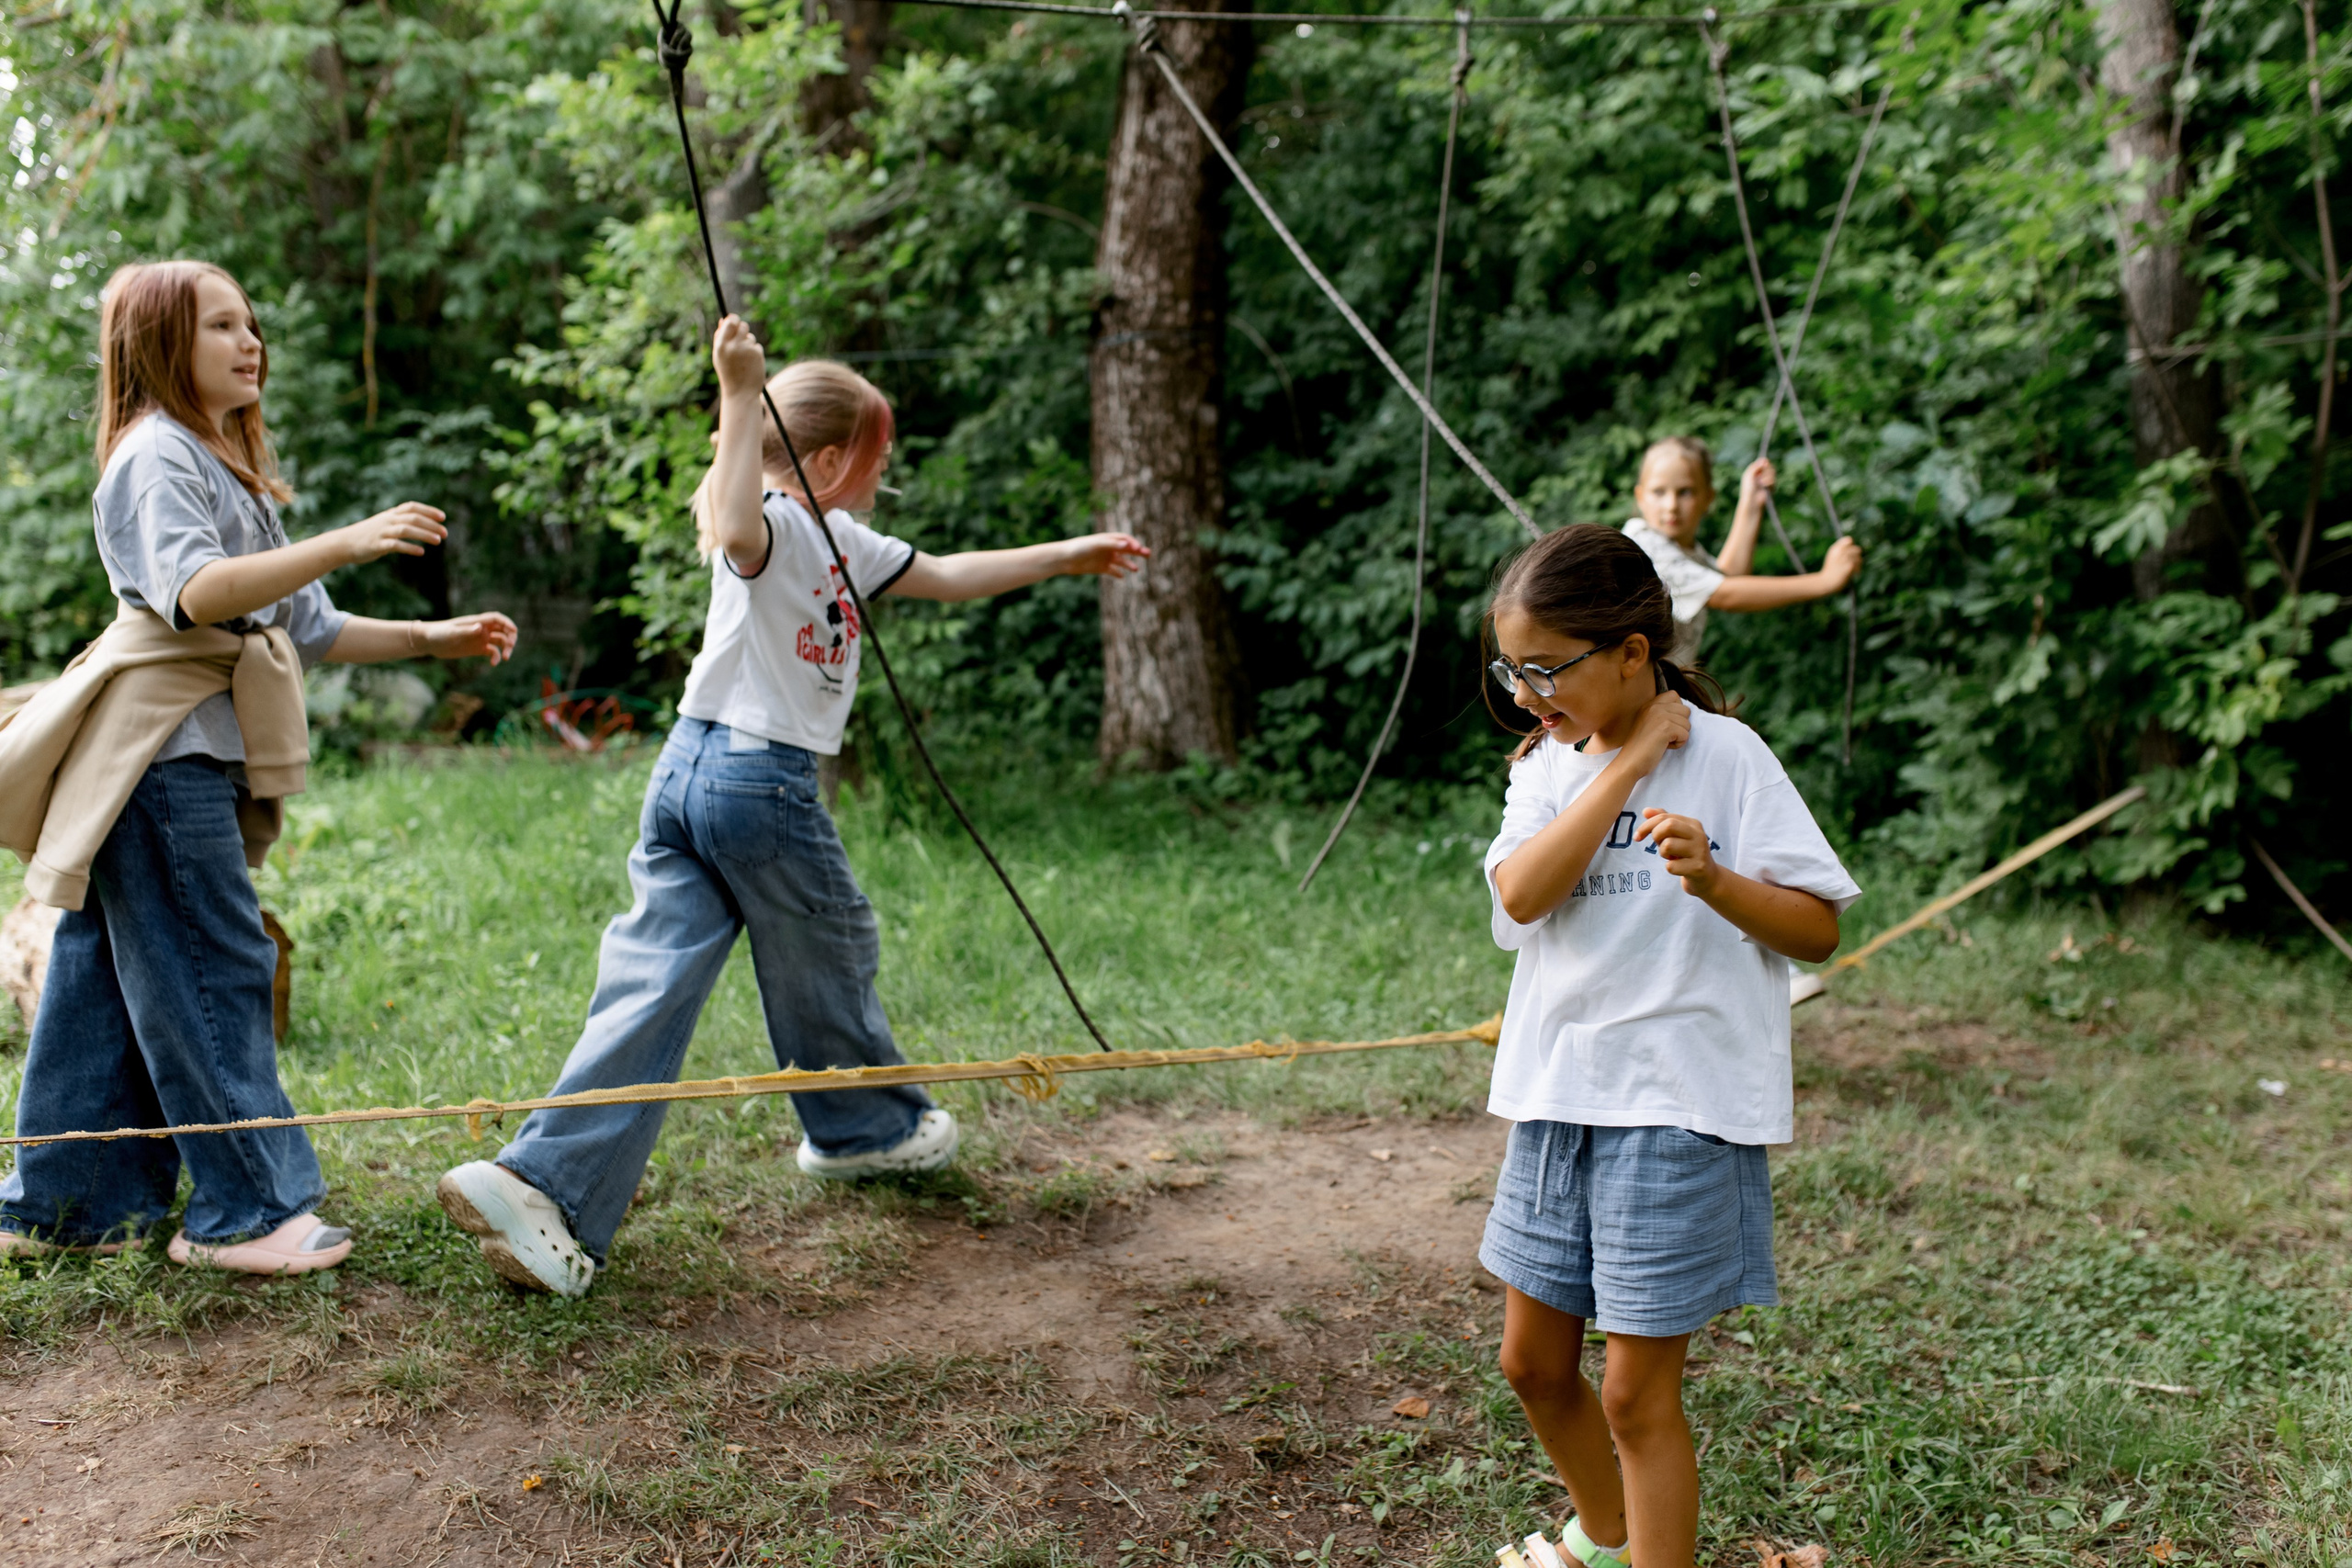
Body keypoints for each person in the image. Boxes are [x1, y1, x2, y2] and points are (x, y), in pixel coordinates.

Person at [435, 319, 1150, 1297]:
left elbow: (942, 575)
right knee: (835, 943)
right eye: (872, 461)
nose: (879, 479)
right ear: (820, 459)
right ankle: (869, 1131)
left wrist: (1068, 555)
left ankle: (541, 1184)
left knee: (654, 982)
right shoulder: (772, 524)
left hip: (687, 776)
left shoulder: (841, 536)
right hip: (753, 779)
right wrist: (737, 390)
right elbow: (735, 530)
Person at [0, 260, 516, 1274]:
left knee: (105, 978)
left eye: (252, 322)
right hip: (157, 756)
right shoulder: (154, 456)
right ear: (160, 346)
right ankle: (248, 1210)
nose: (251, 344)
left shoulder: (214, 458)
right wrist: (342, 541)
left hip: (180, 755)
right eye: (222, 326)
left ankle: (63, 1205)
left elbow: (303, 626)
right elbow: (198, 593)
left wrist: (431, 638)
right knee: (211, 963)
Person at [1476, 525, 1860, 1568]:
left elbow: (1818, 929)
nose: (1524, 692)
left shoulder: (1731, 759)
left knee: (1635, 1394)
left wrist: (1719, 881)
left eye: (1547, 668)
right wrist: (1633, 757)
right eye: (1513, 669)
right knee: (1530, 1364)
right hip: (1559, 1095)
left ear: (1634, 653)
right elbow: (1520, 892)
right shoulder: (1547, 768)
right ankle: (1603, 1538)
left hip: (1679, 1104)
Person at [1623, 435, 1861, 667]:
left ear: (1708, 498)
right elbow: (1726, 594)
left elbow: (1728, 578)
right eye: (1659, 492)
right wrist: (1823, 581)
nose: (1671, 505)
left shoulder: (1682, 551)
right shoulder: (1642, 547)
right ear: (1640, 497)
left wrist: (1751, 503)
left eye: (1685, 492)